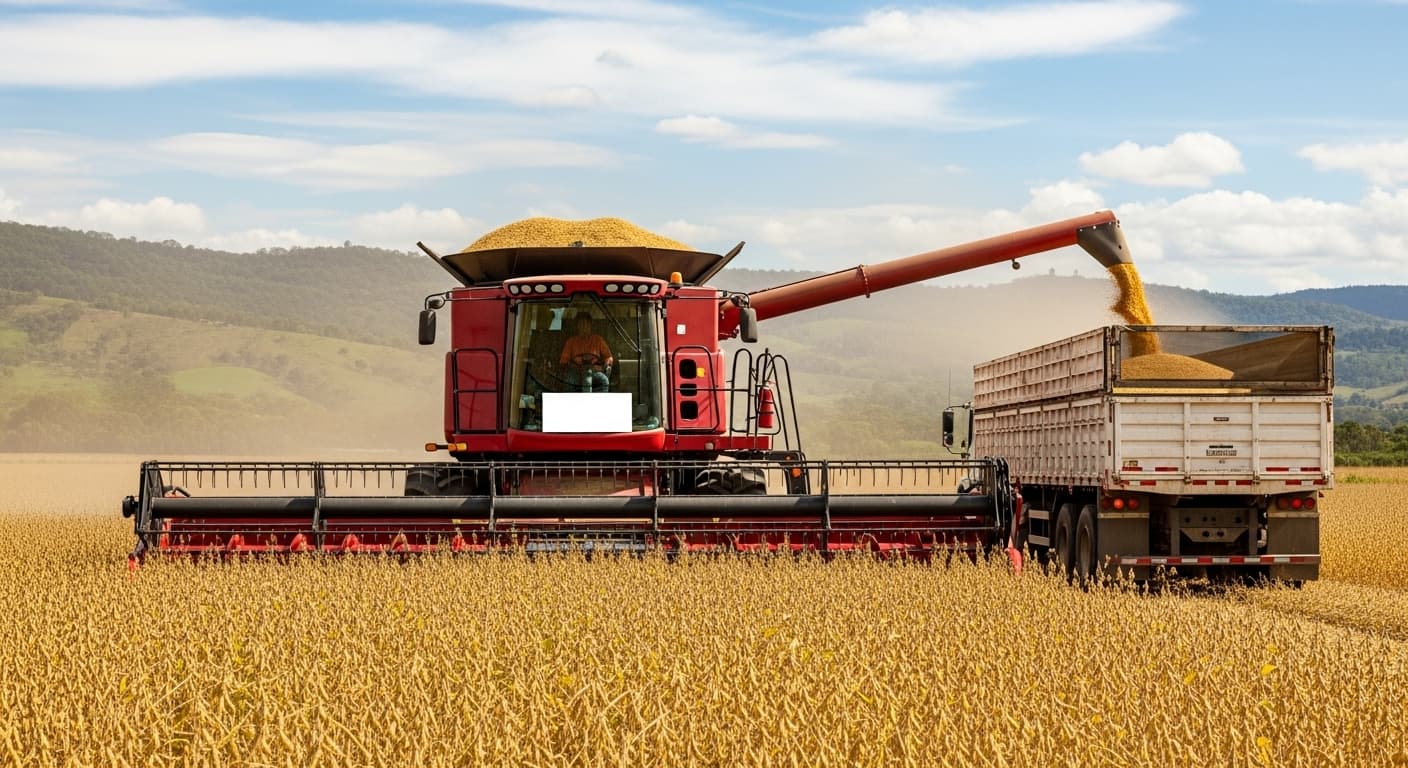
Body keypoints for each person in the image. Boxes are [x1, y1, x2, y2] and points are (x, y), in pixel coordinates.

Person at [560, 311, 613, 392]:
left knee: (604, 381)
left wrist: (605, 366)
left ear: (590, 325)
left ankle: (601, 404)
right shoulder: (571, 342)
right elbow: (564, 361)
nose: (584, 327)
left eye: (586, 324)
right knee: (568, 382)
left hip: (594, 371)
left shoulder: (598, 340)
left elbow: (608, 357)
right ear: (577, 326)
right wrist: (575, 367)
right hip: (576, 372)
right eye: (581, 324)